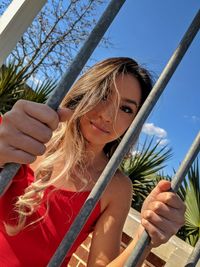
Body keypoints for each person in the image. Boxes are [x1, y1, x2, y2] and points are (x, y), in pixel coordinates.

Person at [0, 57, 185, 267]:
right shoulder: (25, 136)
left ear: (134, 122)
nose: (107, 116)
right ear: (85, 92)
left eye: (126, 109)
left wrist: (145, 239)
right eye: (104, 96)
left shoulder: (115, 187)